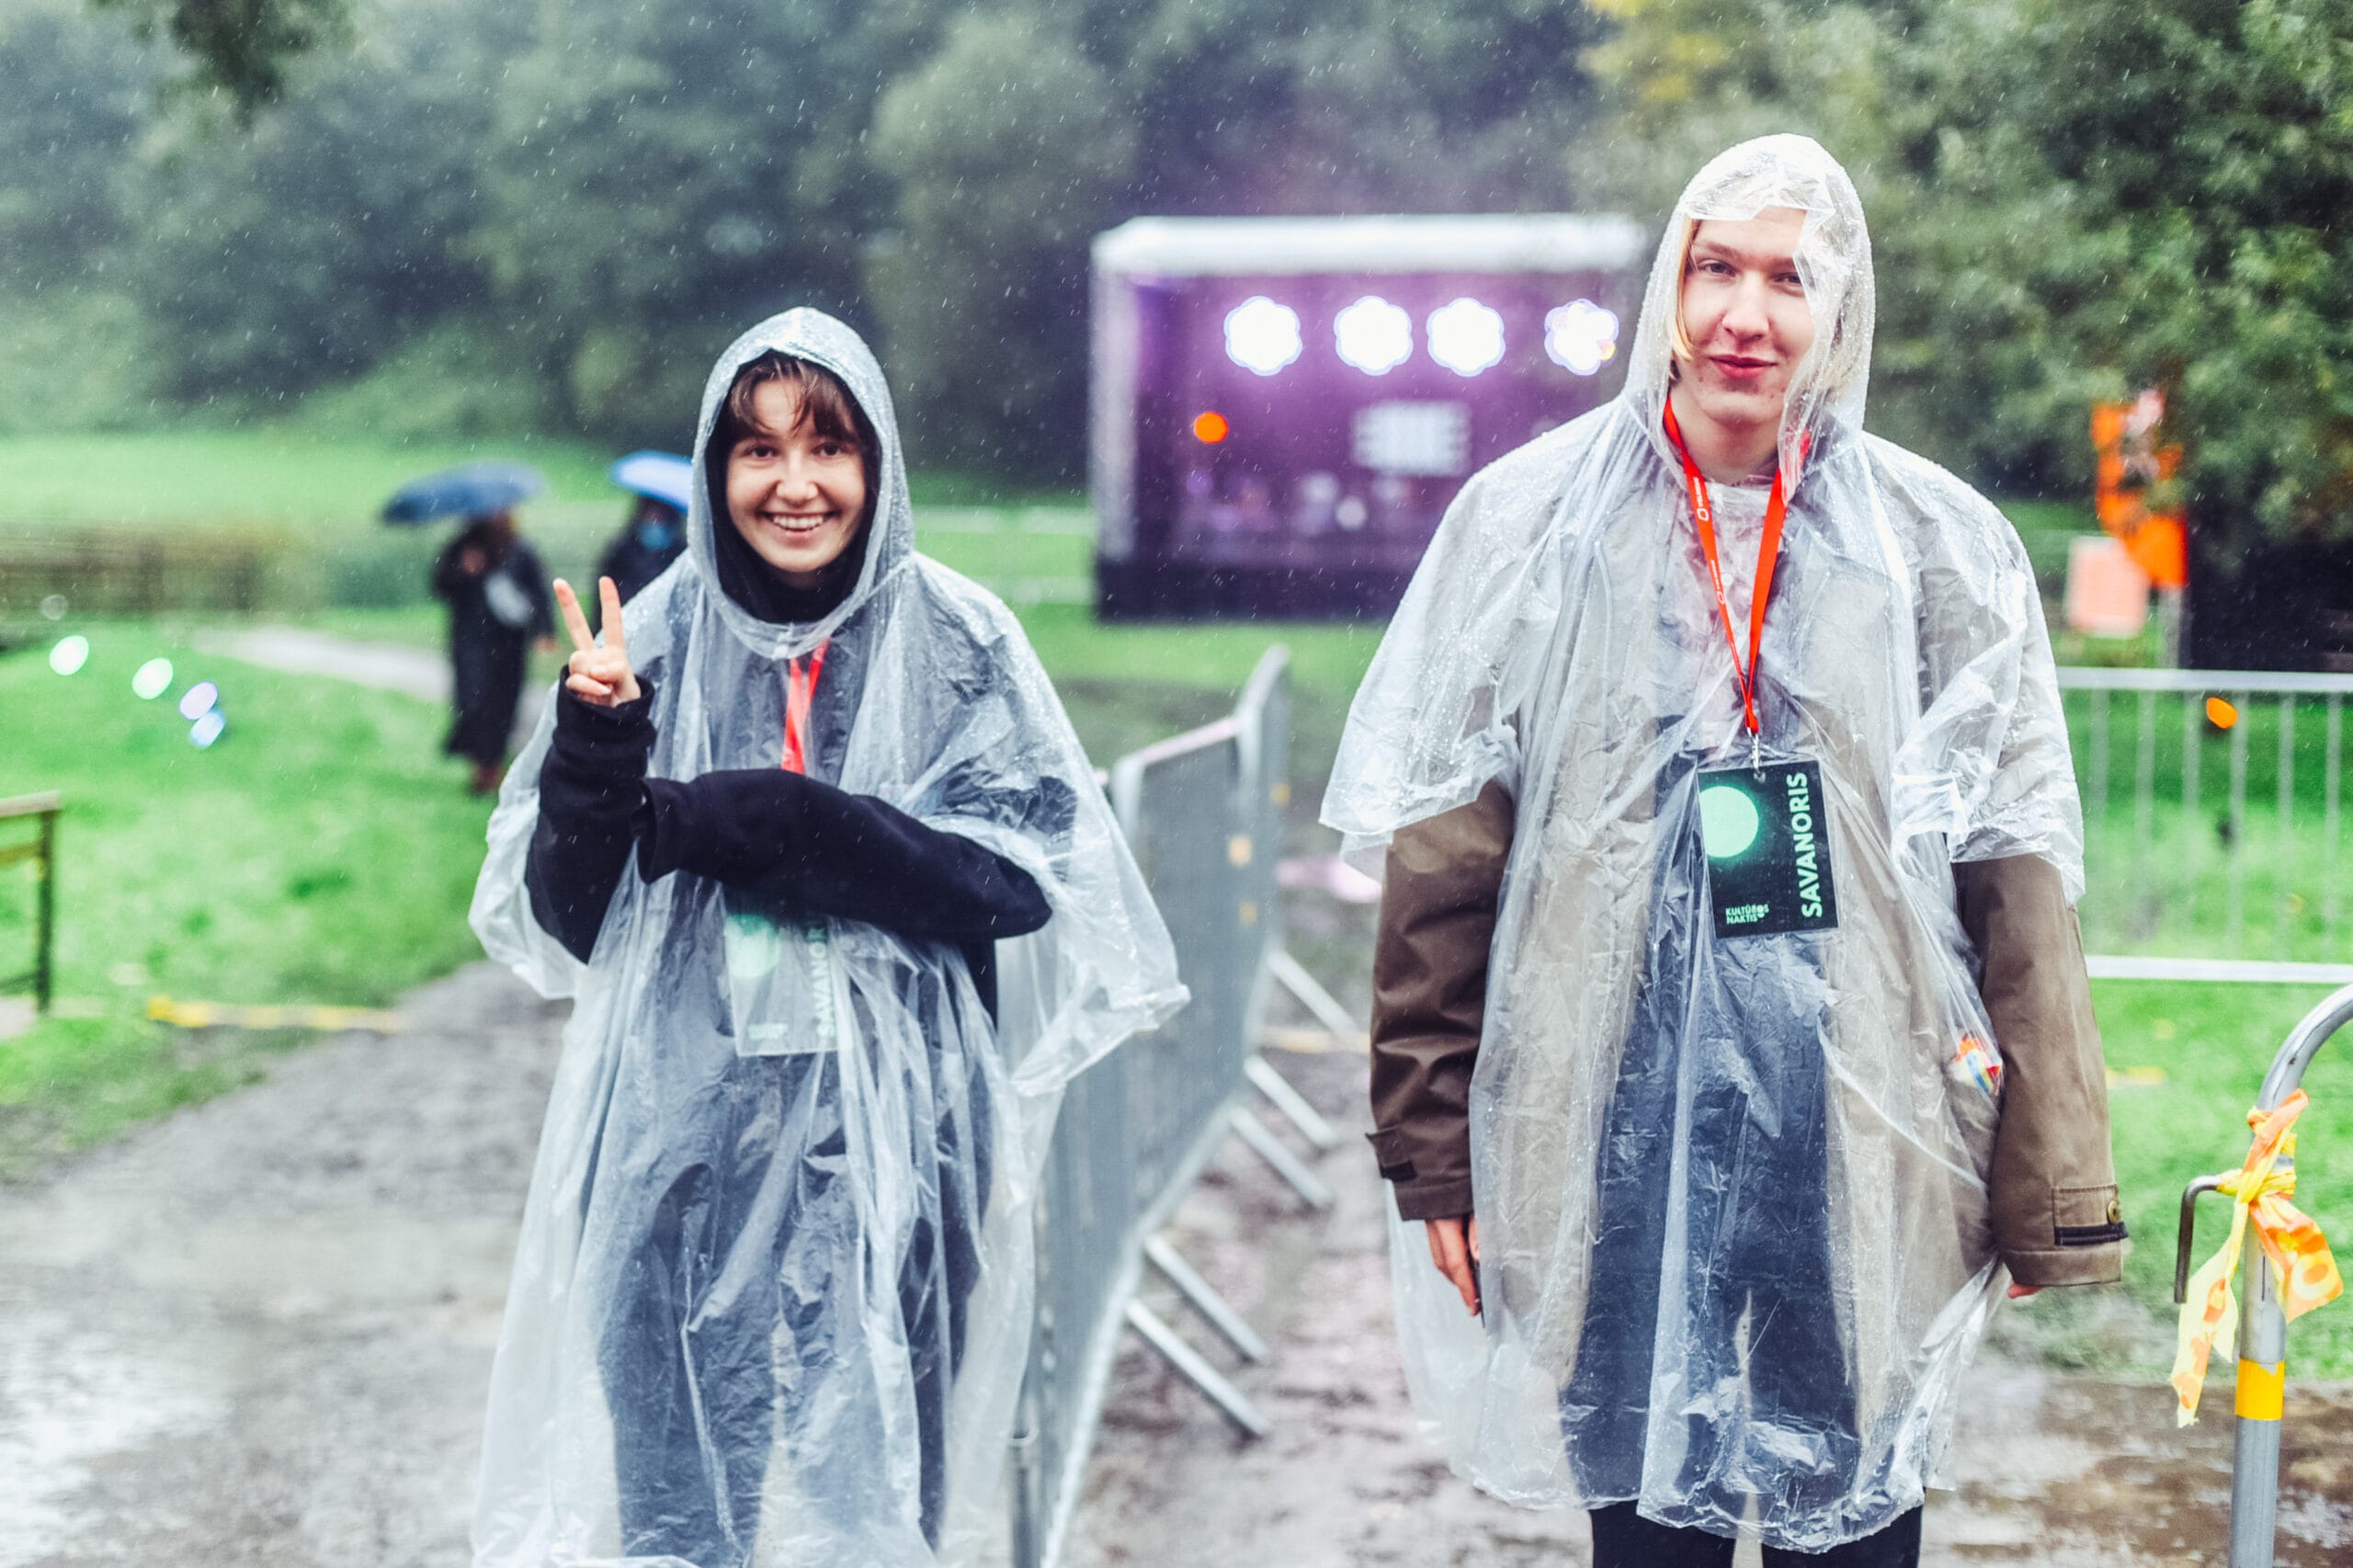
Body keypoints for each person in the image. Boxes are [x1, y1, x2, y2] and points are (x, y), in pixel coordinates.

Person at [1325, 136, 2123, 1564]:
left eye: (1789, 279)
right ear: (1668, 289)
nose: (1744, 316)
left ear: (1843, 309)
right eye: (1715, 269)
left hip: (1865, 1130)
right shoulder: (1534, 524)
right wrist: (1435, 1151)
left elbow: (2015, 868)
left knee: (1855, 1525)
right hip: (1611, 1123)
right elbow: (1446, 858)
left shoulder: (1939, 544)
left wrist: (2053, 1181)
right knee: (1646, 1530)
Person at [467, 309, 1183, 1567]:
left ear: (877, 461)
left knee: (878, 1494)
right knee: (681, 1500)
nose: (794, 484)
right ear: (716, 468)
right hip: (679, 1131)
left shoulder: (959, 639)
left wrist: (787, 822)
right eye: (758, 450)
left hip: (907, 1135)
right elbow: (574, 915)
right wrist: (597, 744)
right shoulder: (656, 634)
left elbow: (1019, 883)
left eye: (828, 447)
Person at [432, 508, 556, 794]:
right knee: (473, 701)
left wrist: (545, 630)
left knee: (504, 704)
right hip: (470, 641)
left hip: (509, 644)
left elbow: (539, 591)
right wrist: (463, 571)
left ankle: (493, 765)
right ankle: (481, 765)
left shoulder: (520, 551)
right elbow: (439, 585)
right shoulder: (462, 547)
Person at [596, 492, 688, 615]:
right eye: (650, 515)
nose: (655, 521)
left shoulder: (683, 555)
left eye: (661, 517)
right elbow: (605, 596)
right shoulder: (622, 552)